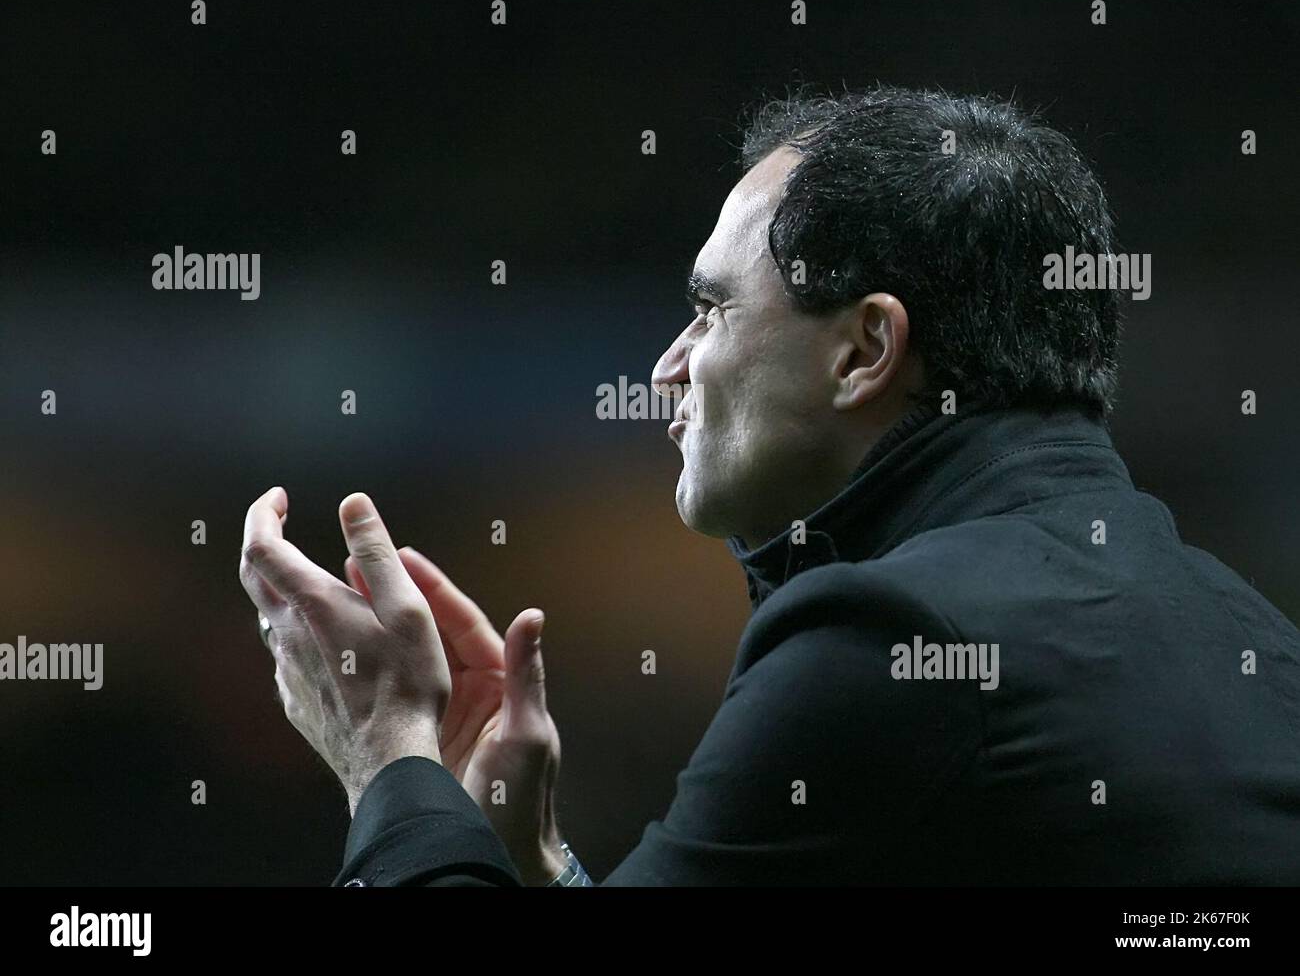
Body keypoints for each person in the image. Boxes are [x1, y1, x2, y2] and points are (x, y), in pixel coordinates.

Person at [238, 86, 1300, 886]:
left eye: (711, 310)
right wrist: (535, 860)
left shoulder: (888, 636)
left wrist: (389, 762)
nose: (667, 368)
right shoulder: (1252, 635)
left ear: (864, 350)